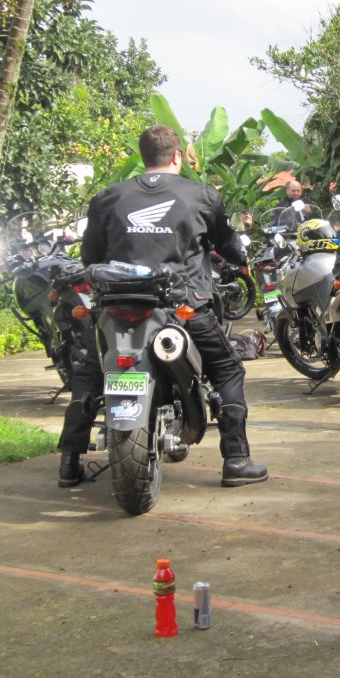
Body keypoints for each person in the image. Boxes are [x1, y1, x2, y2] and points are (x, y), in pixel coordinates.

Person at [57, 124, 268, 488]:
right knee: (227, 371)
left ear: (143, 157)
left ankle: (69, 461)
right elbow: (228, 245)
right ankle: (236, 459)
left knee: (88, 374)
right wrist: (239, 257)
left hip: (116, 306)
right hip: (184, 307)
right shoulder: (201, 195)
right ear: (176, 156)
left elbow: (90, 257)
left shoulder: (108, 197)